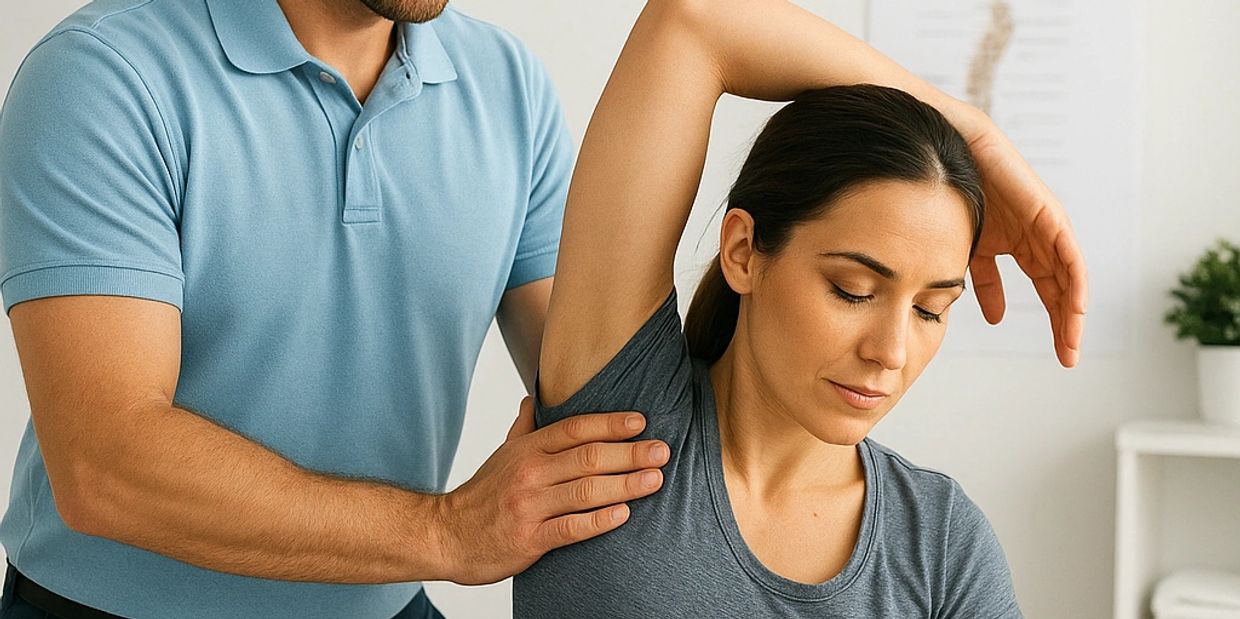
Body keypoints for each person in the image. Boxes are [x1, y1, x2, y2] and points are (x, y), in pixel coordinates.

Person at [0, 0, 1081, 618]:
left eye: (929, 308)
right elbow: (105, 462)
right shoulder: (108, 77)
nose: (895, 339)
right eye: (855, 286)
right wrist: (447, 531)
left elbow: (605, 373)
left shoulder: (501, 88)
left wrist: (942, 158)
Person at [515, 1, 1052, 616]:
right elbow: (692, 20)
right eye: (853, 290)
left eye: (931, 309)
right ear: (744, 251)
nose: (892, 352)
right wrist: (966, 126)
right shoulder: (622, 418)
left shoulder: (942, 545)